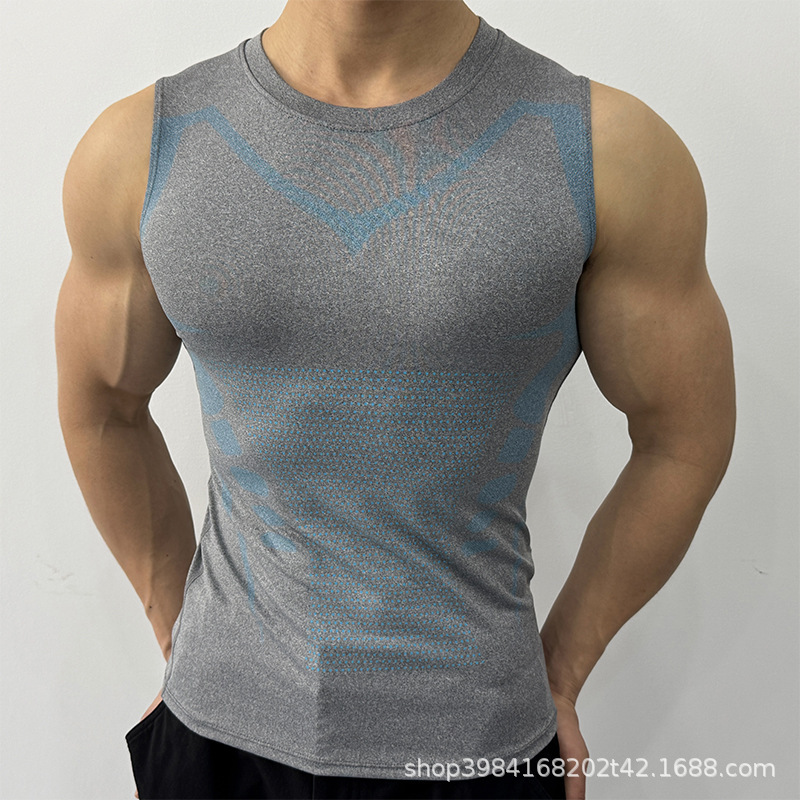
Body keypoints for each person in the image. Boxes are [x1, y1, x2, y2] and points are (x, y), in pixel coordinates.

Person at [55, 1, 736, 798]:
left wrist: (562, 670)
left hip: (476, 745)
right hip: (214, 735)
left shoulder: (607, 152)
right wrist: (181, 638)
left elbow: (682, 437)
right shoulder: (142, 147)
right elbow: (103, 407)